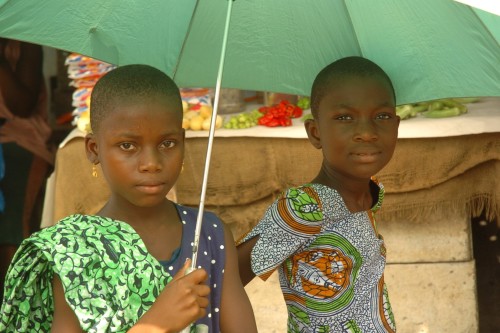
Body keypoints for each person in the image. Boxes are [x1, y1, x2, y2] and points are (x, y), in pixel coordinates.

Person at [0, 64, 257, 333]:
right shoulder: (74, 252)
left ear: (183, 142)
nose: (151, 163)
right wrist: (156, 324)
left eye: (167, 143)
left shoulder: (210, 234)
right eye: (128, 146)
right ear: (93, 149)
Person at [237, 56, 400, 332]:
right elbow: (226, 278)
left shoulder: (372, 192)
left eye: (381, 116)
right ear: (315, 133)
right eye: (344, 118)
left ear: (397, 126)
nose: (366, 132)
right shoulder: (302, 209)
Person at [0, 38, 54, 300]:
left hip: (21, 140)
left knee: (13, 226)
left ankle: (19, 306)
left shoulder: (26, 42)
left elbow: (21, 104)